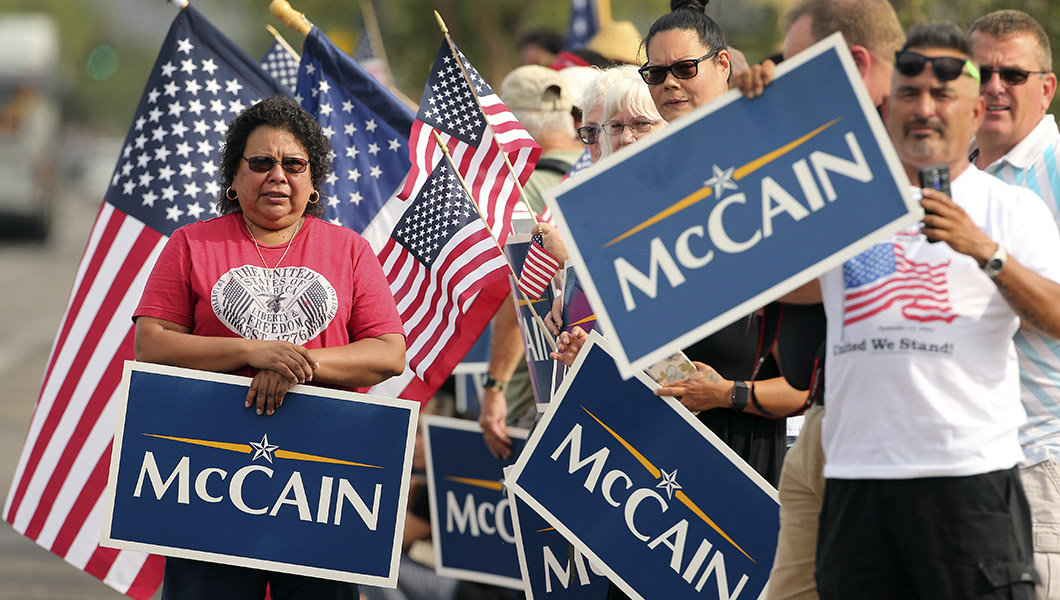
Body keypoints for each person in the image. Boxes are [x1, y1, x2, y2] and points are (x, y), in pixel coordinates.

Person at [787, 22, 1060, 598]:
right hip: (856, 482)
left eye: (943, 94)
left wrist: (984, 251)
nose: (925, 108)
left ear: (973, 109)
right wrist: (753, 118)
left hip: (970, 483)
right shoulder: (846, 203)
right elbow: (770, 280)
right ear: (890, 109)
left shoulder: (1012, 208)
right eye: (909, 93)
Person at [133, 95, 406, 599]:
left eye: (293, 164)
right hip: (207, 474)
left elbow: (389, 353)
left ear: (313, 178)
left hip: (322, 480)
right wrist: (249, 351)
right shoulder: (192, 244)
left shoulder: (349, 249)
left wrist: (296, 365)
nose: (277, 175)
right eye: (260, 163)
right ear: (234, 180)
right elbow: (151, 344)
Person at [731, 1, 905, 598]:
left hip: (883, 432)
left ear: (855, 63)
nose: (785, 80)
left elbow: (845, 276)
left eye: (799, 67)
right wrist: (747, 116)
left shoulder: (906, 154)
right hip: (822, 420)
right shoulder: (825, 135)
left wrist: (741, 270)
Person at [637, 0, 810, 486]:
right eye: (656, 73)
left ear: (722, 65)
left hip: (746, 447)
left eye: (685, 68)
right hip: (653, 441)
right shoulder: (640, 187)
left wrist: (726, 393)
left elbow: (808, 382)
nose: (670, 82)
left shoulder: (771, 176)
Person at [970, 10, 1060, 599]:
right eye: (981, 71)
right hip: (959, 465)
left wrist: (988, 259)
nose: (995, 86)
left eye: (1015, 75)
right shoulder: (949, 168)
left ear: (1047, 87)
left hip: (1037, 463)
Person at [479, 66, 584, 460]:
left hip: (537, 390)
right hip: (596, 380)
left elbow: (518, 291)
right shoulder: (598, 175)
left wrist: (495, 387)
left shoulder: (519, 194)